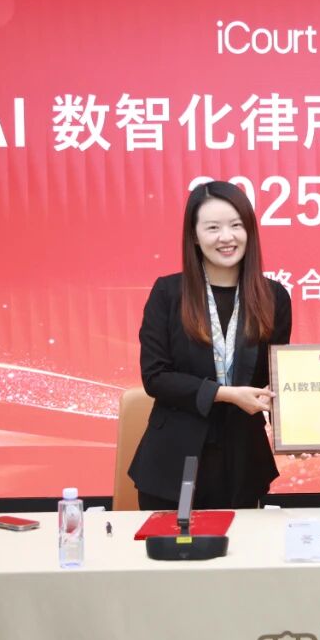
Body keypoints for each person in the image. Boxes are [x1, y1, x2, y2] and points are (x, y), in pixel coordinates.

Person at [129, 181, 292, 510]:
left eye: (236, 225)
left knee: (241, 543)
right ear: (194, 235)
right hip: (173, 461)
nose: (226, 237)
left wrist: (296, 432)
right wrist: (226, 394)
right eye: (213, 228)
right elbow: (156, 377)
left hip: (243, 461)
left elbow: (273, 381)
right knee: (171, 545)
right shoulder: (168, 293)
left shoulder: (273, 296)